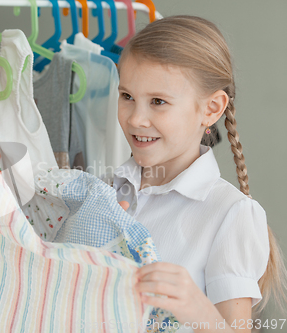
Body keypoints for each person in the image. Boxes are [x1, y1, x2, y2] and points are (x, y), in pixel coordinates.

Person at [111, 16, 287, 332]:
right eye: (127, 97)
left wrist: (195, 306)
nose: (136, 118)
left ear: (211, 109)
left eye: (158, 102)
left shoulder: (230, 214)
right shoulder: (101, 191)